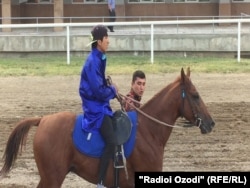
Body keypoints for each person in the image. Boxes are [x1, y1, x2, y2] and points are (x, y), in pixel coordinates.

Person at [79, 25, 118, 188]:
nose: (109, 41)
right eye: (107, 37)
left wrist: (110, 88)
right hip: (95, 108)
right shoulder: (93, 61)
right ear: (100, 41)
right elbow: (99, 91)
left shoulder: (99, 57)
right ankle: (101, 182)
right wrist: (113, 90)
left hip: (99, 104)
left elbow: (101, 87)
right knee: (112, 141)